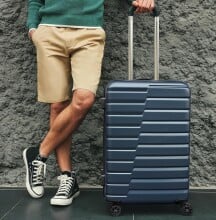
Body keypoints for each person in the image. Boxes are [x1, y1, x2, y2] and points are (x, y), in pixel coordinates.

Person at [23, 0, 155, 206]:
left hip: (89, 32)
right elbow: (35, 1)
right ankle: (67, 178)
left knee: (84, 99)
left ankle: (39, 154)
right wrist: (33, 29)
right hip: (49, 32)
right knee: (58, 105)